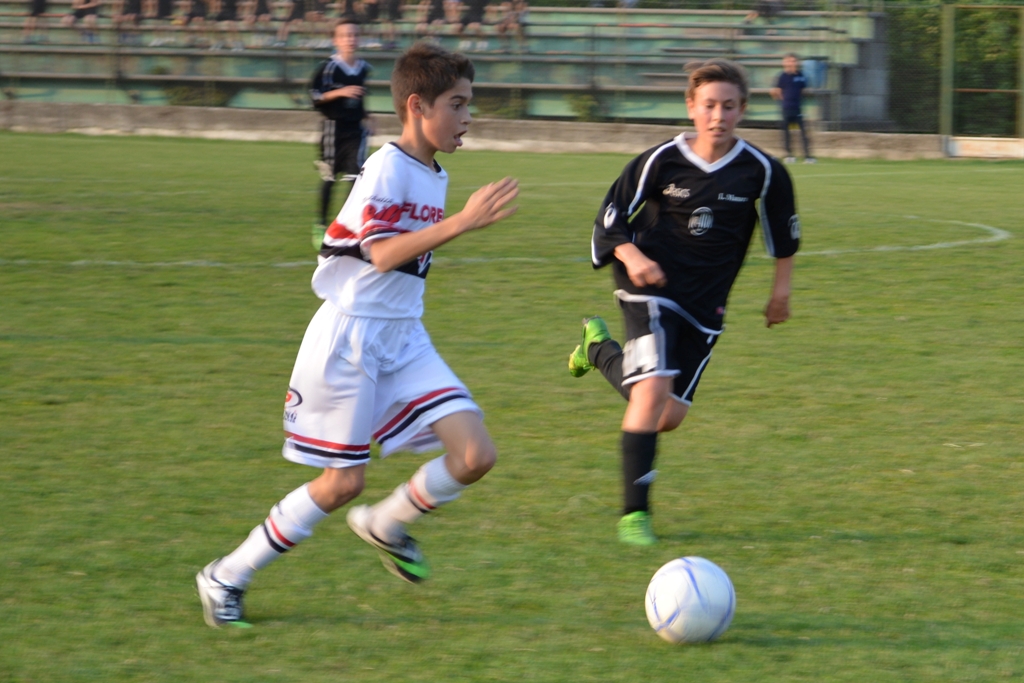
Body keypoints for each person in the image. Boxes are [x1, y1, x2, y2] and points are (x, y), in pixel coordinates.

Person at [196, 41, 520, 628]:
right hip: (350, 339)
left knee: (476, 454)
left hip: (404, 335)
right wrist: (463, 223)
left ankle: (387, 523)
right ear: (418, 105)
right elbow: (380, 254)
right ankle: (226, 575)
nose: (468, 117)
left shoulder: (432, 172)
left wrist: (457, 220)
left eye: (470, 104)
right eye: (458, 104)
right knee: (342, 482)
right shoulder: (386, 166)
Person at [568, 58, 799, 546]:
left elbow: (784, 231)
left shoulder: (762, 171)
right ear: (691, 107)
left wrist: (781, 292)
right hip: (647, 288)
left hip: (705, 302)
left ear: (743, 110)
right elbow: (610, 220)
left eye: (729, 106)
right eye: (709, 105)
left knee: (667, 415)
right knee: (650, 395)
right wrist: (632, 258)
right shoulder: (660, 161)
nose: (719, 115)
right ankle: (635, 517)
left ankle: (597, 350)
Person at [309, 18, 373, 249]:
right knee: (330, 178)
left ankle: (344, 226)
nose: (350, 39)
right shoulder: (329, 67)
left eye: (354, 35)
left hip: (356, 130)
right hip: (333, 129)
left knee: (356, 179)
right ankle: (320, 224)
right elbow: (315, 96)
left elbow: (360, 98)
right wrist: (340, 92)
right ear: (336, 40)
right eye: (345, 35)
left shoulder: (363, 67)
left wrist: (367, 116)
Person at [770, 53, 814, 163]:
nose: (792, 63)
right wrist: (781, 99)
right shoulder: (782, 76)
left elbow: (804, 90)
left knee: (803, 132)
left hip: (797, 108)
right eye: (789, 61)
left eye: (794, 61)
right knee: (786, 133)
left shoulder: (801, 75)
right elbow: (777, 91)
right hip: (786, 108)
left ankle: (808, 156)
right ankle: (789, 155)